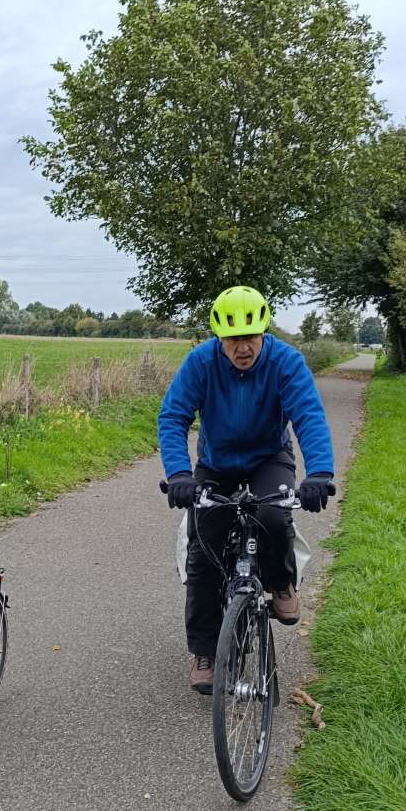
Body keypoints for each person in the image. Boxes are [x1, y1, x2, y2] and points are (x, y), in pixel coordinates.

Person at [158, 285, 336, 694]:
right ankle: (204, 650)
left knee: (273, 515)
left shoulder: (286, 362)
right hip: (216, 463)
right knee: (203, 549)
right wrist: (181, 474)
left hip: (267, 457)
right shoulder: (201, 363)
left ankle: (281, 583)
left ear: (264, 332)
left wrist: (319, 474)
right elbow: (173, 416)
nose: (243, 348)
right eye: (233, 340)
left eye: (251, 337)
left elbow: (308, 415)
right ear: (219, 338)